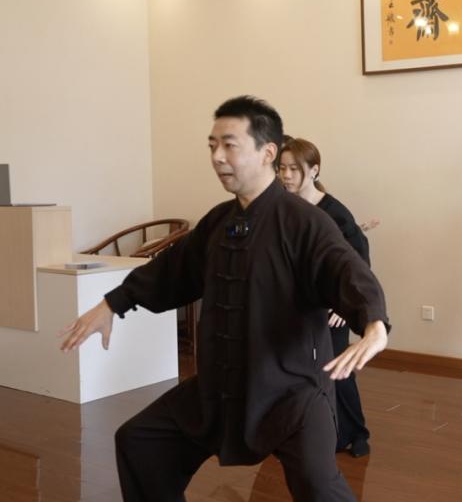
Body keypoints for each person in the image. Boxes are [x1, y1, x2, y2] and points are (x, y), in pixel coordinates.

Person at [60, 96, 390, 502]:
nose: (217, 157)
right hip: (222, 386)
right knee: (140, 442)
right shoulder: (218, 221)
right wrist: (113, 303)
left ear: (267, 152)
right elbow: (172, 268)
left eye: (229, 145)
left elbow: (346, 268)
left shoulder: (305, 221)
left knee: (319, 486)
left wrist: (374, 323)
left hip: (292, 390)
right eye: (212, 145)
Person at [279, 136, 373, 458]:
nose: (286, 175)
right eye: (282, 168)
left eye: (294, 169)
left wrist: (344, 307)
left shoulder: (335, 213)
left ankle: (356, 433)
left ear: (314, 170)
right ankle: (297, 431)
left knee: (337, 372)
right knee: (290, 372)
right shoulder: (285, 208)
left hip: (332, 310)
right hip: (296, 307)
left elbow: (359, 262)